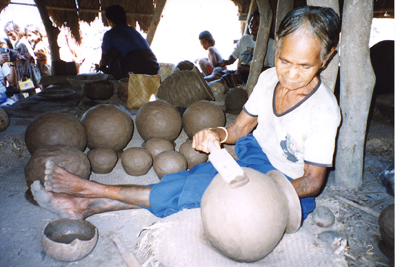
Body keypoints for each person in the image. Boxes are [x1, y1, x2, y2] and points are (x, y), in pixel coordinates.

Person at [31, 6, 341, 222]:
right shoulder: (269, 77)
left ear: (326, 59)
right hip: (253, 157)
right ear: (278, 50)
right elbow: (239, 129)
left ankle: (89, 190)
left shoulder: (325, 110)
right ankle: (88, 207)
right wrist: (217, 133)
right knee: (190, 179)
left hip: (287, 182)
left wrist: (267, 190)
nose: (290, 74)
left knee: (198, 192)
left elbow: (313, 182)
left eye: (305, 66)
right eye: (286, 61)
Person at [205, 10, 275, 87]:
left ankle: (205, 86)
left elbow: (271, 69)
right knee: (218, 72)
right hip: (240, 73)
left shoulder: (271, 44)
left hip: (254, 78)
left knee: (225, 79)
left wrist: (249, 69)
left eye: (257, 23)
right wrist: (225, 62)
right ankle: (202, 81)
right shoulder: (245, 39)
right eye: (251, 23)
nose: (252, 26)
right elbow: (233, 57)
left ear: (264, 25)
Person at [96, 5, 160, 80]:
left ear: (110, 20)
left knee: (111, 51)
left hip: (134, 69)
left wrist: (101, 67)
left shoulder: (109, 34)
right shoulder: (133, 30)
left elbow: (104, 59)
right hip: (153, 67)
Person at [4, 21, 41, 91]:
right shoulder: (18, 43)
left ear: (17, 31)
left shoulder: (22, 43)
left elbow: (27, 59)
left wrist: (24, 75)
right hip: (24, 74)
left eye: (11, 34)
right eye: (8, 35)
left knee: (31, 93)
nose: (10, 37)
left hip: (27, 74)